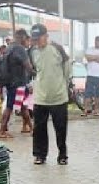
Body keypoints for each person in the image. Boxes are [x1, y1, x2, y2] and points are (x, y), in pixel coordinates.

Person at [28, 23, 71, 165]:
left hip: (59, 96)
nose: (36, 42)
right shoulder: (32, 51)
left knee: (60, 128)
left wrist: (64, 85)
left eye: (38, 38)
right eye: (34, 39)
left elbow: (67, 67)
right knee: (39, 128)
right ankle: (40, 155)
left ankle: (62, 155)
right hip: (40, 97)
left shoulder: (57, 48)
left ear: (46, 36)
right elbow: (34, 70)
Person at [0, 28, 33, 140]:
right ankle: (2, 131)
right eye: (26, 39)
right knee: (9, 106)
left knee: (23, 106)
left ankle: (31, 128)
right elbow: (28, 65)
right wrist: (36, 72)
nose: (28, 42)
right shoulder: (19, 48)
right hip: (18, 83)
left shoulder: (9, 47)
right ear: (22, 37)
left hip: (10, 82)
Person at [82, 35, 99, 117]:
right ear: (95, 41)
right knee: (88, 93)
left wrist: (93, 58)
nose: (97, 42)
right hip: (90, 75)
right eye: (96, 41)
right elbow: (88, 58)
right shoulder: (90, 49)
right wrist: (97, 57)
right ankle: (86, 109)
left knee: (98, 94)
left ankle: (96, 110)